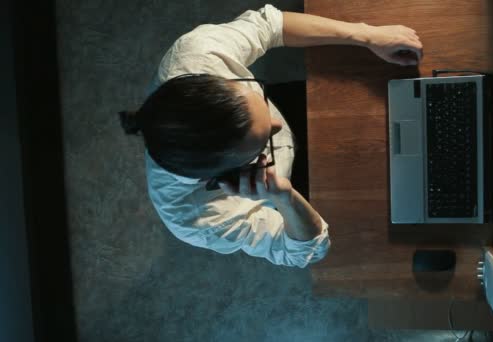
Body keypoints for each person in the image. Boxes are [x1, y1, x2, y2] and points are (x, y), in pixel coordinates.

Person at [118, 4, 422, 268]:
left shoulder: (196, 55)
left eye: (254, 101)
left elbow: (270, 25)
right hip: (289, 184)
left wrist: (366, 35)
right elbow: (303, 251)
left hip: (303, 106)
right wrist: (284, 198)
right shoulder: (194, 219)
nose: (277, 124)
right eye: (262, 142)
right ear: (227, 175)